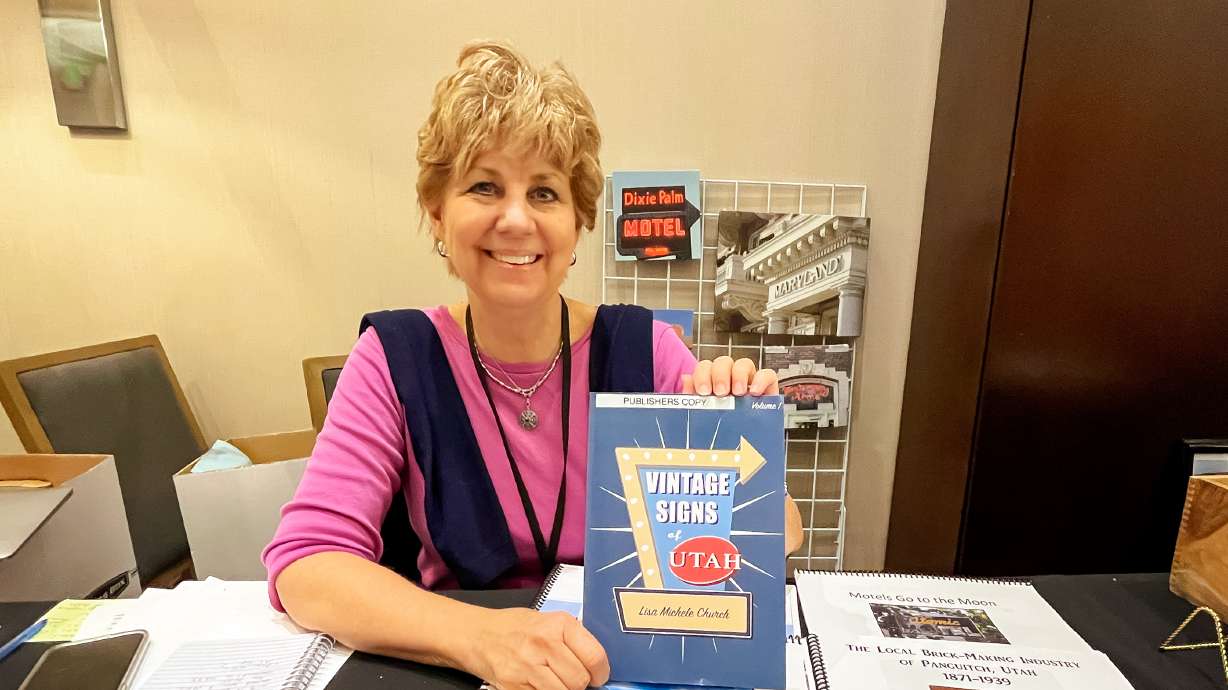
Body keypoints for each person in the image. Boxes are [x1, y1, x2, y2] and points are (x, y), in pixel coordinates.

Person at [263, 41, 803, 690]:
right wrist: (481, 639)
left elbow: (782, 531)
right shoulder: (393, 358)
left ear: (577, 224)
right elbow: (307, 566)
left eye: (544, 192)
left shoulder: (646, 349)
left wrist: (735, 441)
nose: (516, 219)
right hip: (458, 670)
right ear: (437, 214)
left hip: (621, 669)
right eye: (484, 186)